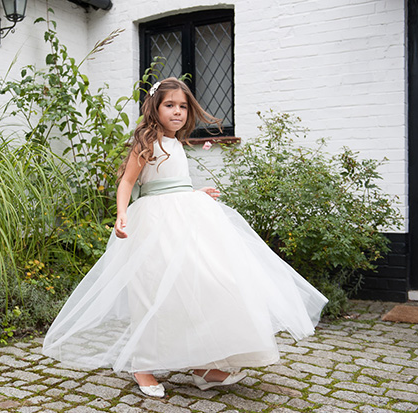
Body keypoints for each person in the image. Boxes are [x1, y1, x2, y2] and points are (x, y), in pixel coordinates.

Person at [42, 77, 328, 398]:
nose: (177, 112)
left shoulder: (178, 143)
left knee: (199, 285)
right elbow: (128, 183)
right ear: (155, 108)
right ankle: (143, 365)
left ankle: (202, 364)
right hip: (153, 224)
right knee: (154, 293)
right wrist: (121, 212)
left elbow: (173, 182)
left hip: (187, 218)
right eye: (169, 105)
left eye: (182, 106)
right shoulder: (146, 143)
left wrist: (195, 192)